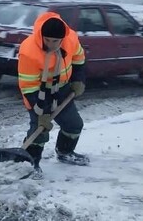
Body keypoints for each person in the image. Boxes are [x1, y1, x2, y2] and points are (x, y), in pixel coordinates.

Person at [17, 12, 88, 176]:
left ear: (63, 38)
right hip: (37, 93)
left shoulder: (71, 39)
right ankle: (30, 164)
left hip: (62, 88)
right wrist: (42, 112)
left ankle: (65, 152)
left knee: (74, 125)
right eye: (47, 39)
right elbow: (28, 86)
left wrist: (78, 80)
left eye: (55, 41)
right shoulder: (29, 51)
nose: (50, 44)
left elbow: (79, 58)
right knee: (40, 129)